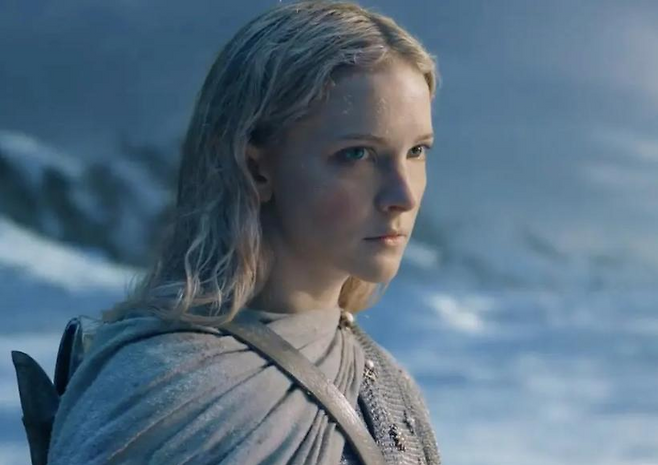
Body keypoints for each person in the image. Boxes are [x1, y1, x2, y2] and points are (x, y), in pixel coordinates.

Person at [46, 1, 441, 463]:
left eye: (416, 151)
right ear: (256, 168)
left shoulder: (388, 387)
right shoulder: (161, 395)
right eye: (357, 154)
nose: (403, 195)